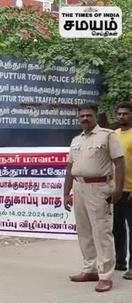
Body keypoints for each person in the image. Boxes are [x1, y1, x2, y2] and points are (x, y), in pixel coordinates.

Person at [63, 103, 125, 292]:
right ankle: (90, 269)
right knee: (84, 231)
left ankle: (105, 276)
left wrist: (118, 190)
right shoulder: (76, 140)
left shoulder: (107, 135)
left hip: (99, 188)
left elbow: (119, 163)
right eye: (81, 116)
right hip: (79, 188)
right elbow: (70, 167)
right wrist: (66, 192)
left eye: (88, 115)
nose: (85, 119)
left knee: (101, 232)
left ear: (95, 116)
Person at [114, 102, 132, 280]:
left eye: (125, 114)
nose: (121, 117)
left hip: (131, 189)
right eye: (119, 114)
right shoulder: (114, 135)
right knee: (117, 228)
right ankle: (120, 262)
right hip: (117, 190)